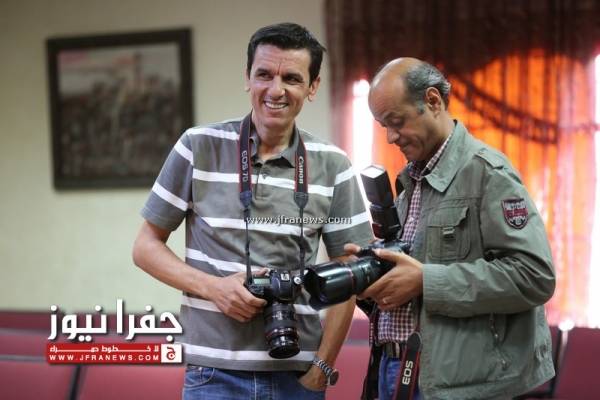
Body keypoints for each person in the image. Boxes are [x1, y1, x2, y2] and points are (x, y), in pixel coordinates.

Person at [132, 22, 373, 400]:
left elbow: (351, 271)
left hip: (298, 377)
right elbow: (145, 247)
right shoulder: (198, 147)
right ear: (247, 77)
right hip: (213, 376)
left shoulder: (334, 165)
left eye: (292, 78)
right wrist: (214, 289)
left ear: (312, 87)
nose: (276, 90)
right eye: (264, 74)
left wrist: (322, 368)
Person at [346, 58, 556, 400]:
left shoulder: (488, 173)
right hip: (393, 368)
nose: (390, 137)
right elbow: (414, 283)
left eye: (396, 122)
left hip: (458, 383)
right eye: (383, 126)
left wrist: (426, 280)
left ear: (433, 101)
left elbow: (534, 276)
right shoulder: (411, 182)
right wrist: (375, 281)